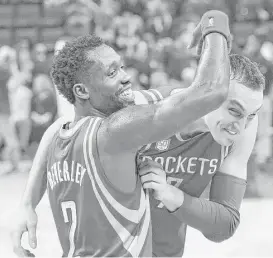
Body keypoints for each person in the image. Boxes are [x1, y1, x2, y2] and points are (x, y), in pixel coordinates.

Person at [11, 11, 231, 257]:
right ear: (82, 90)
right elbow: (211, 91)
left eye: (122, 67)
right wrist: (216, 25)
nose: (127, 78)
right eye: (112, 73)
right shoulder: (114, 132)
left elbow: (52, 132)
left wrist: (27, 205)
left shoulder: (61, 136)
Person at [138, 54, 264, 256]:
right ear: (208, 92)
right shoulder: (150, 107)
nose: (241, 127)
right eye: (234, 111)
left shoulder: (241, 127)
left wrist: (171, 195)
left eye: (251, 115)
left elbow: (224, 224)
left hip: (166, 251)